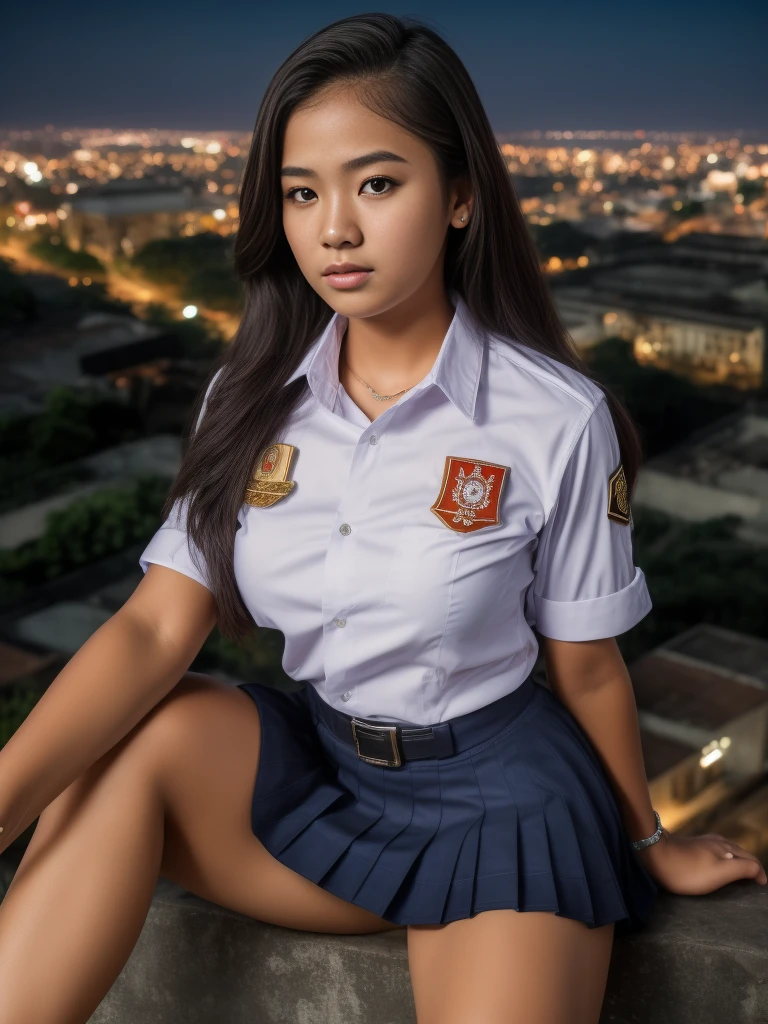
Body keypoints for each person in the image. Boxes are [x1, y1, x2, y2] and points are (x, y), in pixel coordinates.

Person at [0, 12, 764, 1024]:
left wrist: (647, 838)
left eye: (377, 183)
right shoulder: (248, 392)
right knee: (131, 739)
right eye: (302, 193)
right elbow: (152, 626)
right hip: (319, 774)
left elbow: (587, 666)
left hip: (501, 805)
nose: (335, 230)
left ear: (458, 196)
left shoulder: (554, 418)